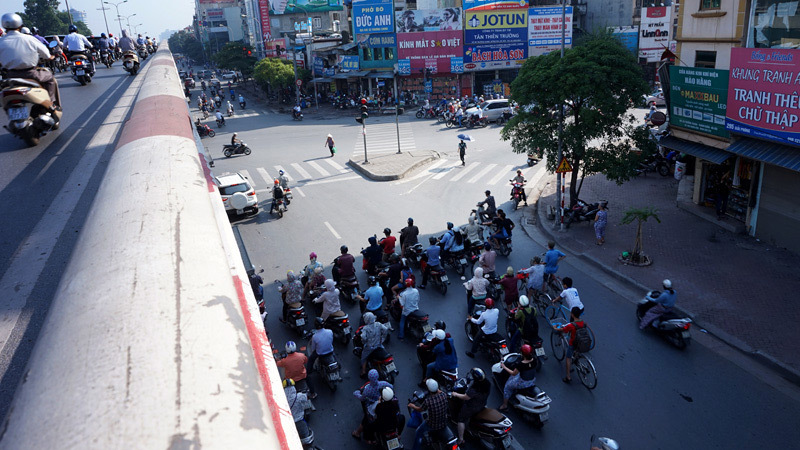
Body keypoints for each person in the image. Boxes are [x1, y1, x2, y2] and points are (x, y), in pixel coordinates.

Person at [0, 14, 60, 112]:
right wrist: (50, 57)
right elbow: (46, 54)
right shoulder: (29, 39)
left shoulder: (1, 41)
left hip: (10, 76)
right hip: (31, 74)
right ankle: (51, 104)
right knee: (50, 78)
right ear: (20, 25)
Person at [451, 368, 490, 445]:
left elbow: (466, 397)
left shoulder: (475, 388)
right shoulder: (487, 383)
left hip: (472, 407)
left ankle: (461, 439)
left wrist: (455, 394)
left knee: (461, 419)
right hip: (482, 404)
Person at [352, 369, 393, 439]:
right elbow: (391, 386)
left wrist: (356, 393)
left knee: (366, 420)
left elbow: (362, 398)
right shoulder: (383, 383)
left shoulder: (367, 390)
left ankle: (357, 433)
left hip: (371, 404)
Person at [498, 344, 537, 411]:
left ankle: (504, 405)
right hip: (532, 380)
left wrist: (504, 367)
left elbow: (513, 373)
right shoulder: (535, 359)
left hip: (522, 383)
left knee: (507, 387)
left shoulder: (521, 364)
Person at [553, 307, 586, 383]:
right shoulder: (582, 322)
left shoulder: (571, 325)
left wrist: (555, 328)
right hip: (581, 342)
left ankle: (568, 377)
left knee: (568, 358)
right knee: (576, 353)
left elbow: (563, 330)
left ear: (572, 315)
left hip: (573, 343)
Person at [359, 312, 391, 377]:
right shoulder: (378, 324)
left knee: (364, 358)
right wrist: (383, 338)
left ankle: (363, 371)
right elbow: (385, 329)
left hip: (369, 347)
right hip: (379, 345)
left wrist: (364, 342)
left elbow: (363, 337)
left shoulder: (366, 328)